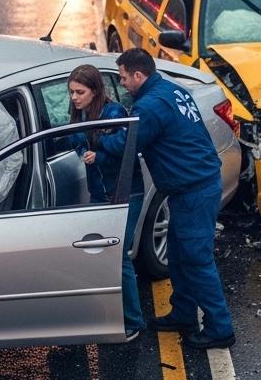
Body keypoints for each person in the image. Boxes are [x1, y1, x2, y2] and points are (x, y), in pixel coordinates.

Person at [97, 49, 234, 349]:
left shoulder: (151, 105)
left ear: (138, 75)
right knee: (179, 253)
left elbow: (125, 144)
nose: (122, 85)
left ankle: (220, 328)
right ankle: (183, 313)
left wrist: (97, 139)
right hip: (192, 186)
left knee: (197, 260)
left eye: (123, 79)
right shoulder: (170, 89)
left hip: (193, 190)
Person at [62, 64, 145, 342]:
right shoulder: (79, 115)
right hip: (100, 193)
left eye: (80, 92)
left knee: (118, 256)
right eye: (71, 92)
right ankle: (109, 314)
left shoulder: (114, 113)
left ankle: (133, 321)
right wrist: (85, 150)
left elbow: (124, 147)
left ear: (95, 91)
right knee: (100, 255)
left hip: (124, 193)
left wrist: (98, 154)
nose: (74, 97)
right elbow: (75, 139)